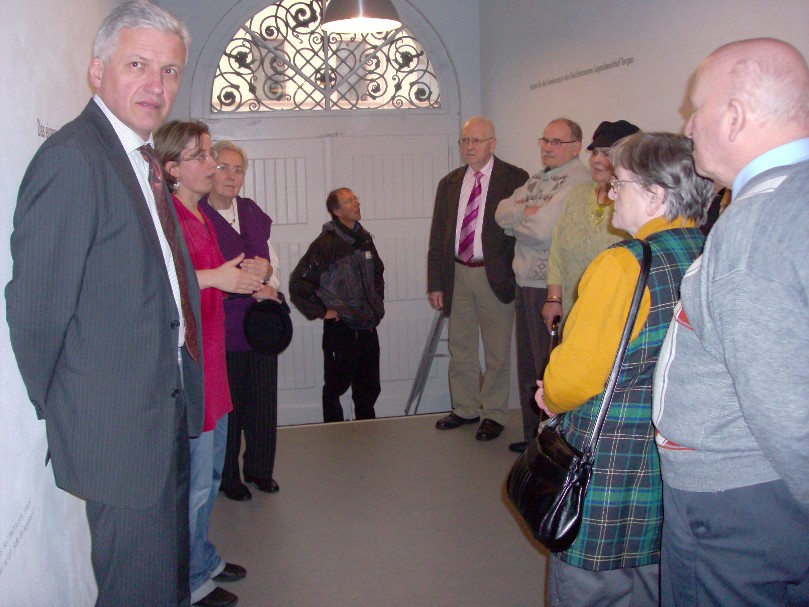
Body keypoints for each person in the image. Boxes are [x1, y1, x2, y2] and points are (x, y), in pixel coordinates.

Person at [5, 2, 202, 604]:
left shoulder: (137, 159)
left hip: (160, 411)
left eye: (169, 71)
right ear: (97, 71)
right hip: (117, 431)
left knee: (162, 584)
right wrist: (73, 408)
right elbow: (34, 311)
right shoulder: (75, 158)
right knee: (136, 591)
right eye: (138, 64)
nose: (156, 85)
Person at [652, 38, 809, 607]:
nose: (688, 126)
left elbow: (789, 410)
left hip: (739, 506)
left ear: (737, 116)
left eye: (697, 109)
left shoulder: (757, 223)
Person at [535, 133, 712, 607]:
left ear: (655, 194)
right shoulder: (709, 253)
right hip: (679, 468)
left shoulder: (624, 265)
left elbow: (571, 380)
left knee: (595, 592)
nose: (611, 193)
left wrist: (549, 396)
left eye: (620, 183)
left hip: (612, 471)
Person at [156, 121, 260, 607]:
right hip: (193, 366)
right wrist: (217, 275)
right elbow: (159, 283)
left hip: (214, 361)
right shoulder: (169, 216)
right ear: (172, 168)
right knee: (196, 484)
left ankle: (204, 555)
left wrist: (246, 273)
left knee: (213, 475)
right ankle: (190, 581)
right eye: (199, 157)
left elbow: (212, 278)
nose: (211, 165)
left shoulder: (198, 213)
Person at [428, 116, 528, 441]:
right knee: (461, 347)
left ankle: (495, 414)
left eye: (477, 140)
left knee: (497, 351)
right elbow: (438, 236)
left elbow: (522, 235)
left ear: (492, 144)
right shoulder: (450, 182)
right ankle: (465, 409)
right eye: (465, 141)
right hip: (457, 273)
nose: (469, 147)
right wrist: (436, 282)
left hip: (494, 275)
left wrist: (516, 275)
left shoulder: (515, 179)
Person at [494, 118, 590, 451]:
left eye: (557, 142)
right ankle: (529, 437)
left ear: (576, 147)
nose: (548, 147)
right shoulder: (538, 178)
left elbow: (542, 231)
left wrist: (519, 218)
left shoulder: (578, 180)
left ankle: (549, 443)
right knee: (528, 363)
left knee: (546, 365)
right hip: (524, 278)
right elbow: (500, 213)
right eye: (545, 140)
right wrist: (526, 213)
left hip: (549, 285)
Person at [201, 140, 283, 501]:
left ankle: (261, 470)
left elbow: (273, 263)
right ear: (209, 169)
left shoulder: (252, 211)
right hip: (222, 326)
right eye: (223, 168)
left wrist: (269, 282)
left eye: (237, 169)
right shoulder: (198, 215)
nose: (231, 176)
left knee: (263, 402)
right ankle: (228, 477)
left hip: (261, 323)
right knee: (230, 406)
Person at [289, 188, 385, 422]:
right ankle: (333, 431)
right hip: (341, 329)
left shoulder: (364, 239)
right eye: (349, 201)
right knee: (335, 386)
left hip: (367, 327)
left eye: (356, 199)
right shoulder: (326, 244)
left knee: (369, 388)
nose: (356, 204)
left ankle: (367, 430)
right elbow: (299, 283)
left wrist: (376, 302)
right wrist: (323, 311)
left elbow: (378, 273)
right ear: (336, 211)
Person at [542, 119, 638, 328]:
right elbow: (557, 249)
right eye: (594, 153)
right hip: (571, 309)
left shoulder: (635, 204)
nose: (596, 160)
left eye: (606, 154)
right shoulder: (578, 194)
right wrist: (553, 298)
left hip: (612, 315)